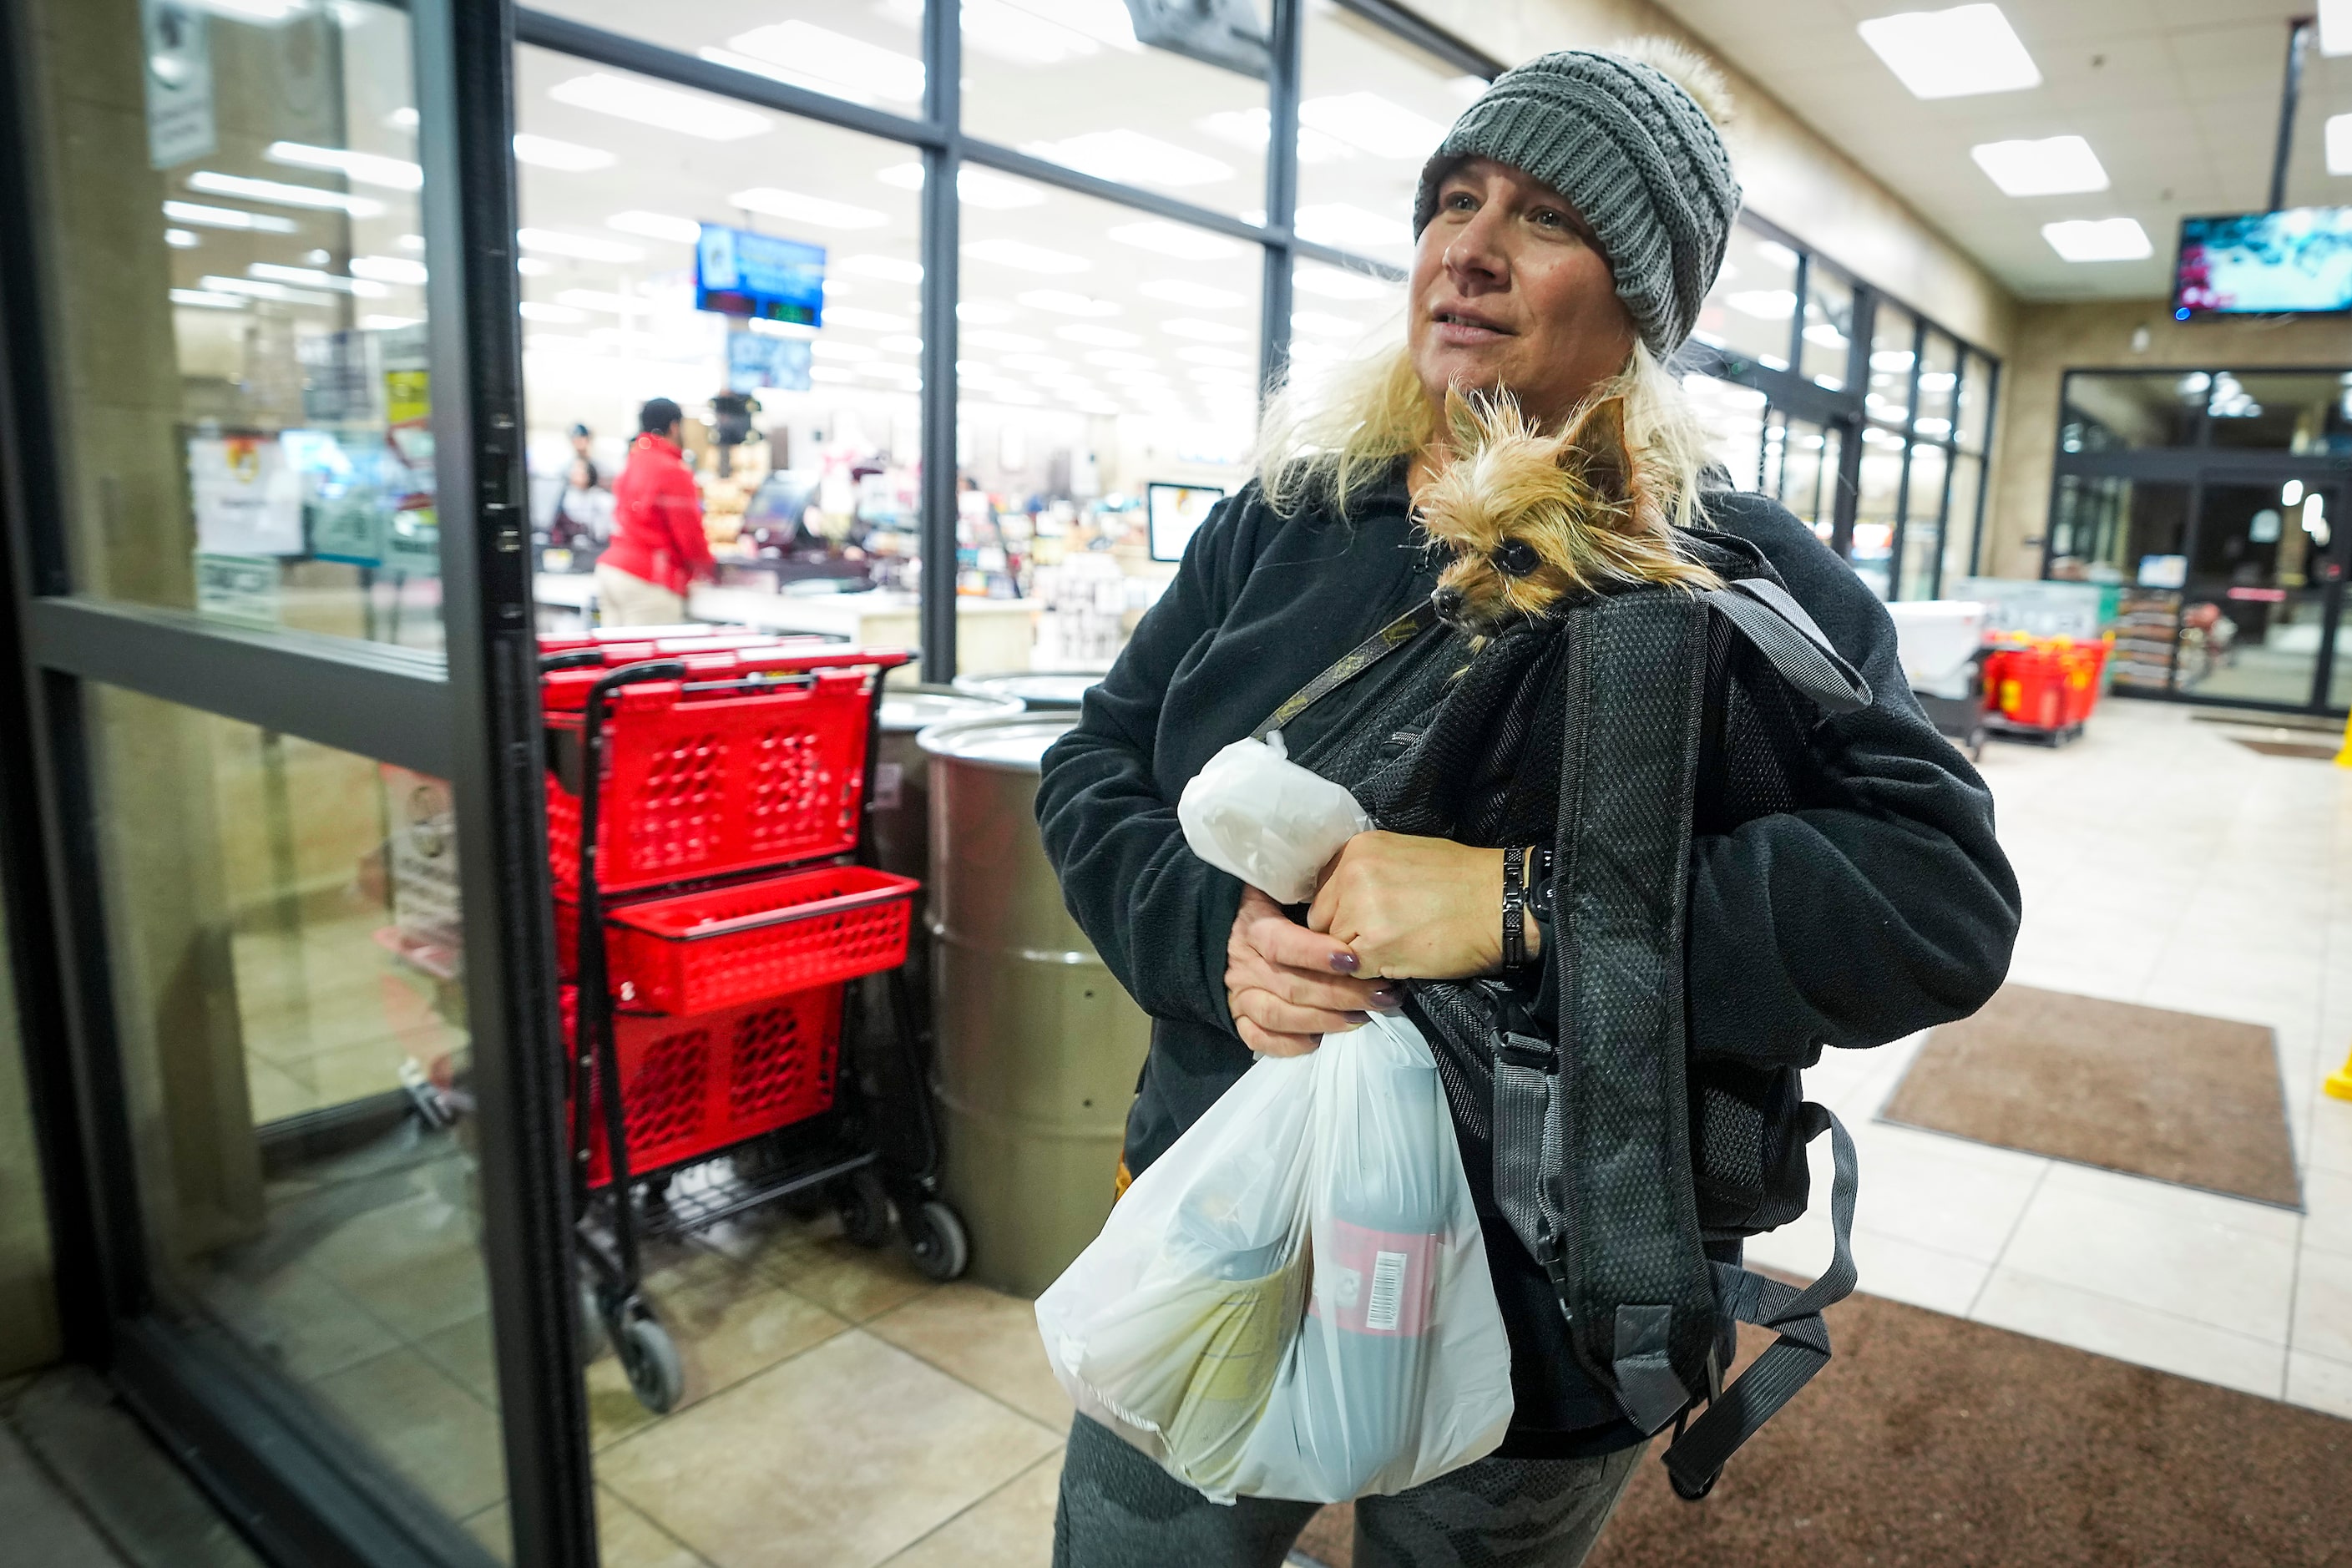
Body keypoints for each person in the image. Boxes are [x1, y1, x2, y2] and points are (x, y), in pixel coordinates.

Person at [1034, 40, 2020, 1568]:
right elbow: (1093, 766)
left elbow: (1938, 901)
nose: (1469, 251)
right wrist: (1207, 935)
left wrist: (1518, 898)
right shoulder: (1286, 522)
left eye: (1546, 218)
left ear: (1642, 296)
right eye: (1452, 198)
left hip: (1551, 1290)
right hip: (1227, 1222)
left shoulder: (1724, 580)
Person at [596, 397, 715, 626]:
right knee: (650, 660)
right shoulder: (672, 469)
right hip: (647, 577)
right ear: (674, 427)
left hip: (612, 570)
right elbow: (688, 533)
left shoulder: (634, 460)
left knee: (617, 659)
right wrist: (707, 568)